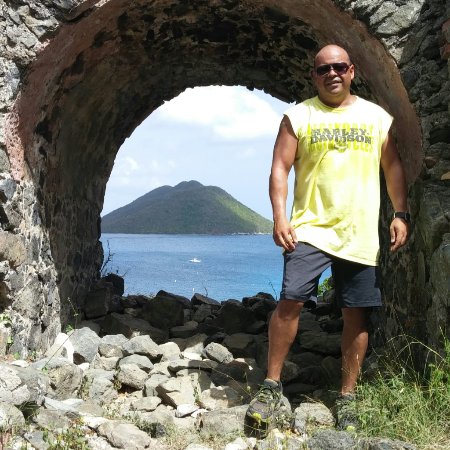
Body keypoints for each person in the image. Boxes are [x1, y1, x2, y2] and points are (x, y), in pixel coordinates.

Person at [246, 44, 409, 429]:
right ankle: (271, 385)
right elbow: (280, 167)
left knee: (357, 312)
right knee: (290, 301)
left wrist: (400, 213)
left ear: (351, 71)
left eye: (339, 67)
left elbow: (392, 166)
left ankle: (347, 396)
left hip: (358, 230)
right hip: (309, 228)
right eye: (323, 69)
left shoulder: (376, 117)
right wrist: (279, 217)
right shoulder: (298, 116)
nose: (332, 73)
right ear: (314, 76)